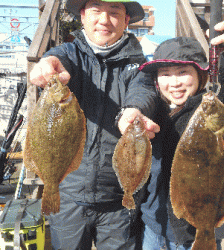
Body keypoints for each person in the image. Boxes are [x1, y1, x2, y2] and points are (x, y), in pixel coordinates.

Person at [30, 0, 160, 249]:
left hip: (118, 200)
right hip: (68, 195)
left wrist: (134, 111)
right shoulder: (69, 53)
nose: (104, 19)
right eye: (96, 11)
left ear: (126, 21)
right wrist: (47, 64)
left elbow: (142, 91)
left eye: (114, 13)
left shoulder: (140, 65)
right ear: (82, 15)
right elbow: (58, 58)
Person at [137, 20, 224, 250]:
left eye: (183, 72)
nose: (175, 82)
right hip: (153, 225)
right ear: (157, 80)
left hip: (195, 234)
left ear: (201, 76)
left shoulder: (213, 110)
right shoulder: (152, 111)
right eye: (165, 74)